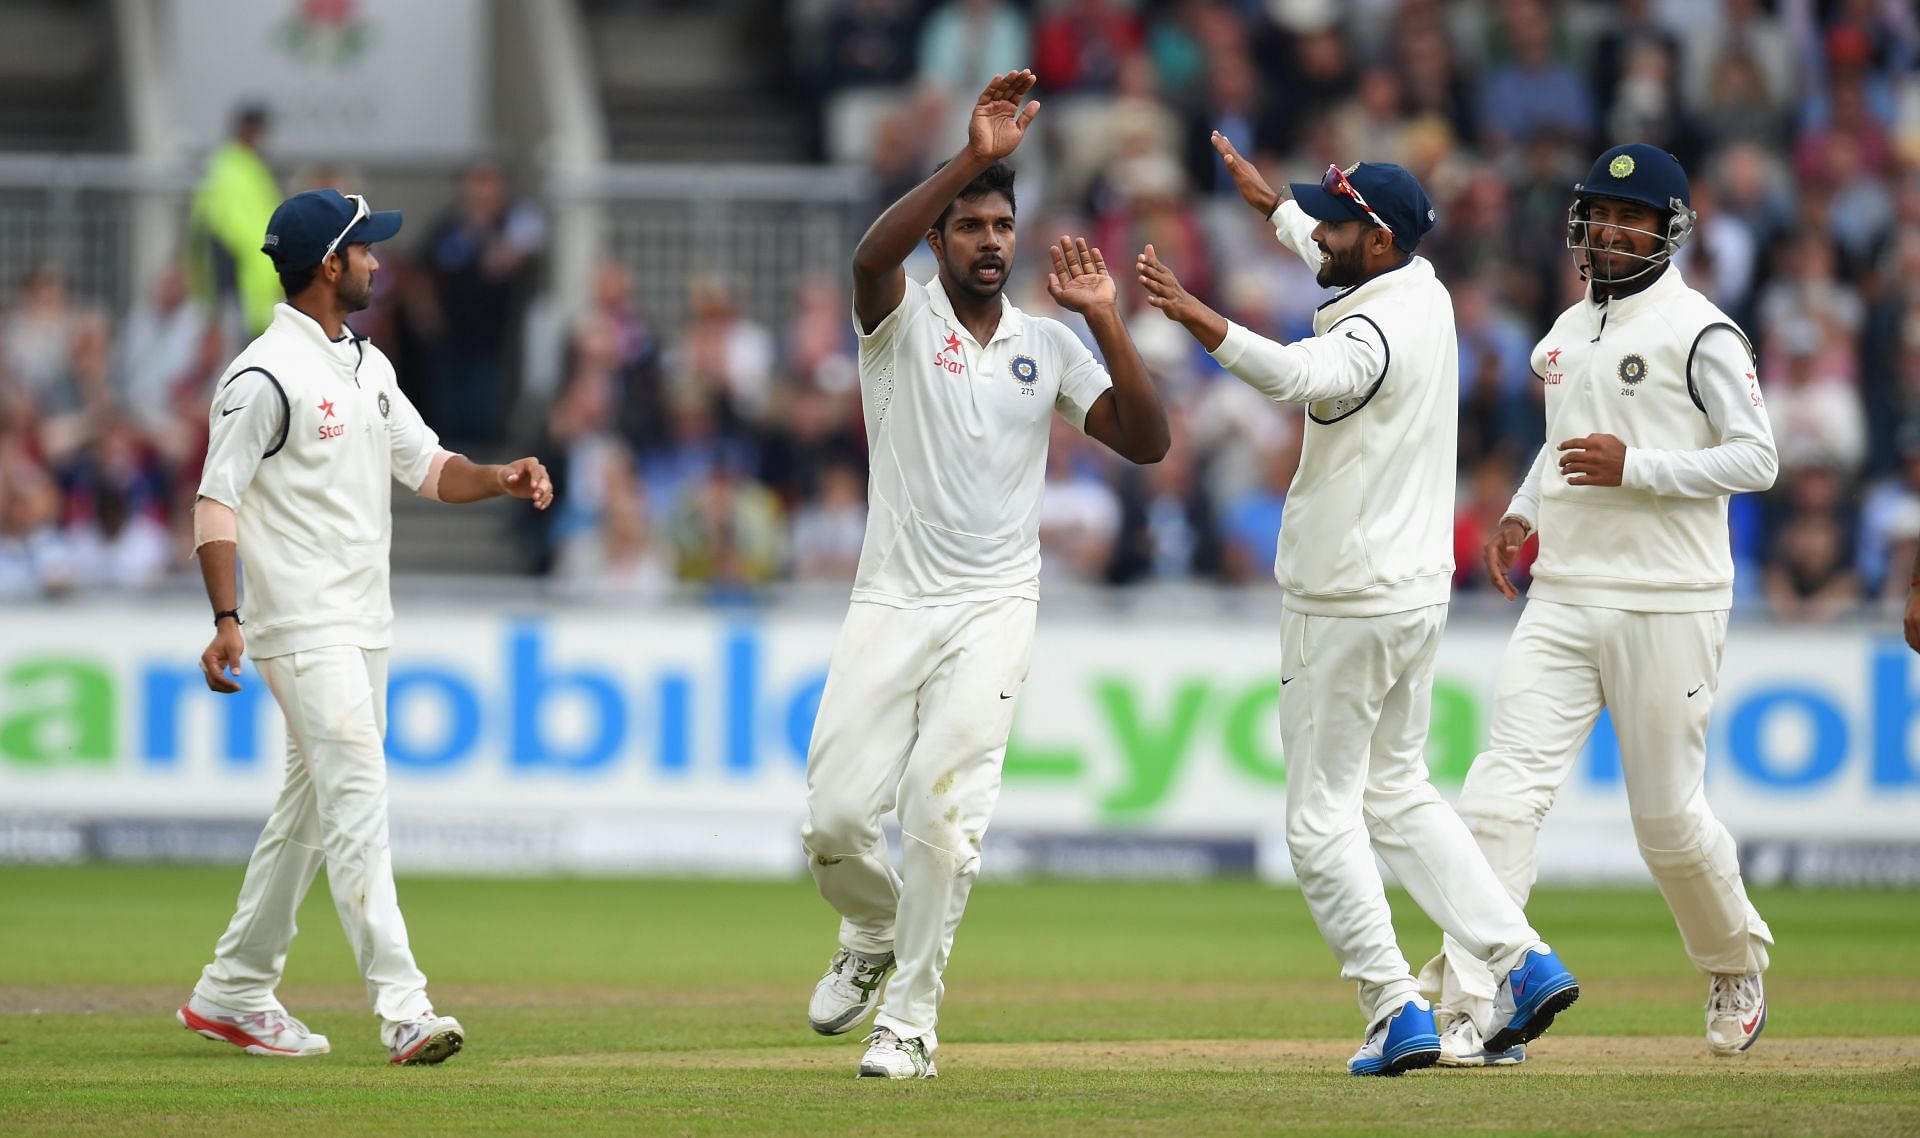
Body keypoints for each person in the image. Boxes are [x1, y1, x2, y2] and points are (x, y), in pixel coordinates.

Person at [1136, 133, 1579, 1077]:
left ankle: (1394, 1007)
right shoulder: (1421, 291)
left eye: (1337, 223)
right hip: (1413, 590)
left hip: (1344, 595)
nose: (1321, 235)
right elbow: (1329, 253)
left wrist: (1193, 315)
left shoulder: (1366, 332)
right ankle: (1520, 957)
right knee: (1399, 791)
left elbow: (1300, 376)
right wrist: (1271, 208)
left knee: (1319, 817)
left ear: (1376, 240)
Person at [802, 70, 1169, 1080]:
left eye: (1003, 224)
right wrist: (965, 156)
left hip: (995, 607)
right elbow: (868, 254)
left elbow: (1147, 440)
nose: (992, 241)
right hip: (890, 598)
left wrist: (1103, 316)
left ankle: (910, 1024)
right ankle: (874, 933)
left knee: (940, 813)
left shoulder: (1045, 345)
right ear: (941, 240)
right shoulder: (898, 319)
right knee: (832, 822)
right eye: (971, 225)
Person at [179, 188, 554, 1065]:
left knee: (308, 812)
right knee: (357, 802)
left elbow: (427, 468)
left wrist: (498, 476)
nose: (378, 262)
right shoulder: (263, 376)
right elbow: (214, 501)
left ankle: (233, 988)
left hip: (361, 619)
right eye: (365, 250)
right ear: (327, 266)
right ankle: (405, 1008)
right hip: (301, 622)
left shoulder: (364, 364)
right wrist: (227, 618)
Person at [1421, 143, 1778, 1064]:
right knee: (1500, 796)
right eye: (1602, 215)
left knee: (1665, 822)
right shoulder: (1570, 328)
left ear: (1669, 229)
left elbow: (1758, 459)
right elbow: (1565, 438)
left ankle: (1735, 960)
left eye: (1635, 218)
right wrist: (1520, 512)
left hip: (1671, 598)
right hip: (1566, 594)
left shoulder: (1703, 333)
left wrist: (1640, 469)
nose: (1614, 232)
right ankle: (1476, 998)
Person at [185, 105, 283, 337]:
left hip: (253, 290)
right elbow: (227, 234)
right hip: (240, 290)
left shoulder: (248, 169)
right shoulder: (230, 170)